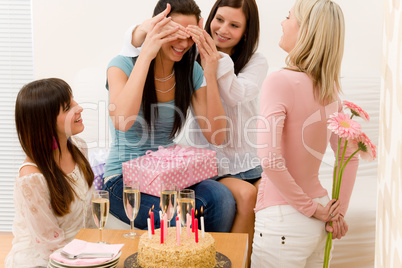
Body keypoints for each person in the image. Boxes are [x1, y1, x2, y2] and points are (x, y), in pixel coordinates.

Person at [121, 1, 267, 263]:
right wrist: (146, 34)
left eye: (234, 25)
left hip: (241, 161)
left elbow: (235, 98)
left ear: (246, 31)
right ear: (208, 21)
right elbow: (132, 43)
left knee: (247, 196)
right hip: (210, 163)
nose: (223, 30)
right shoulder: (186, 58)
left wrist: (212, 64)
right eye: (219, 20)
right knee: (241, 196)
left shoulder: (242, 62)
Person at [103, 0, 236, 232]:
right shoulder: (121, 65)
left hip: (170, 176)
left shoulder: (190, 71)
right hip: (124, 181)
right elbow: (121, 121)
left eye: (189, 36)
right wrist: (146, 54)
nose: (183, 43)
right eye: (175, 34)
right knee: (177, 216)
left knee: (221, 197)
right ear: (158, 29)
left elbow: (217, 136)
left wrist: (210, 73)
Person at [251, 0, 359, 267]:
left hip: (283, 222)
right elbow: (352, 157)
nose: (282, 23)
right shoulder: (329, 91)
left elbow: (270, 160)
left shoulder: (279, 81)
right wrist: (336, 213)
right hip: (319, 224)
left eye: (288, 17)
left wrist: (313, 210)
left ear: (305, 30)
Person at [5, 78, 95, 267]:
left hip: (82, 252)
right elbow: (50, 247)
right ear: (45, 123)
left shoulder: (79, 149)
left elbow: (89, 218)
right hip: (48, 261)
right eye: (67, 108)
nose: (79, 108)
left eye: (73, 100)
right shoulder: (31, 178)